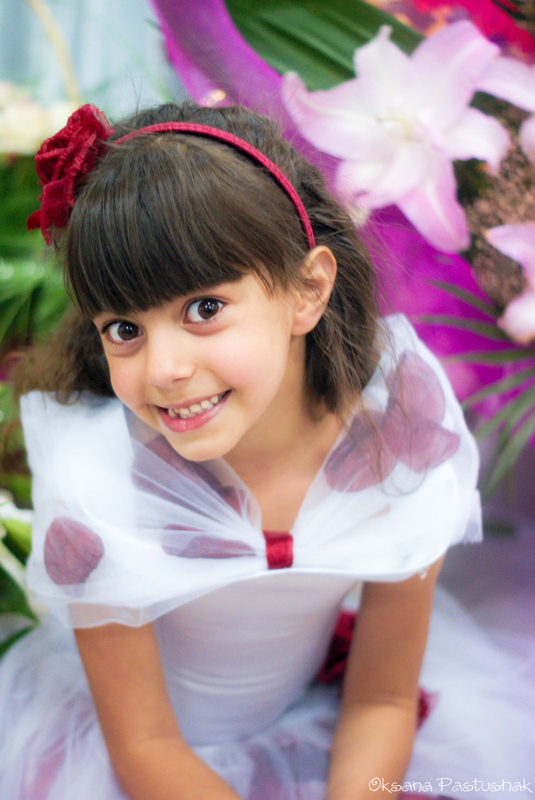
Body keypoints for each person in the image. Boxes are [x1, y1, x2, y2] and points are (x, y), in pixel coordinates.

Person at [0, 101, 533, 800]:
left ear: (308, 290)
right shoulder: (97, 481)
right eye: (125, 328)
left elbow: (381, 698)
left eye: (204, 309)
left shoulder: (399, 439)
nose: (164, 369)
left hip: (324, 729)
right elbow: (145, 746)